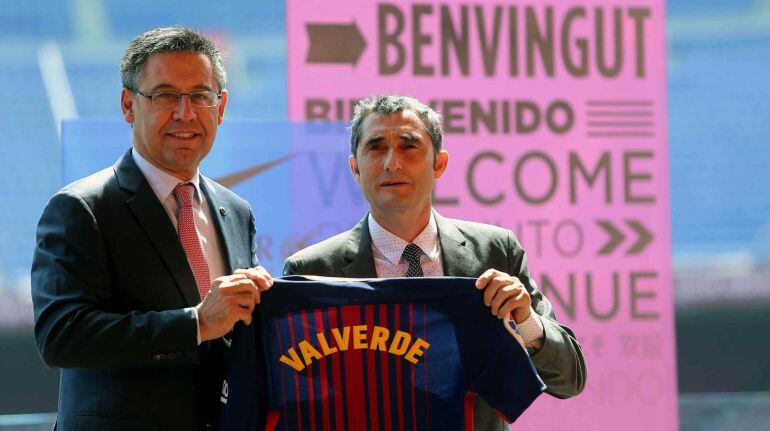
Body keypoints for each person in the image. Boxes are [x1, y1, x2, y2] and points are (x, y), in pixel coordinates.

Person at [284, 94, 586, 431]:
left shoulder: (495, 252)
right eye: (376, 147)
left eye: (409, 146)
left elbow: (569, 379)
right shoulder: (310, 271)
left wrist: (526, 322)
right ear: (355, 168)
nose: (391, 163)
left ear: (438, 164)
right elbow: (298, 398)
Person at [31, 27, 272, 431]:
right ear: (128, 105)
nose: (185, 113)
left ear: (221, 107)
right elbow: (62, 336)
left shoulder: (235, 210)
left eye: (199, 95)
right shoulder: (81, 208)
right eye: (164, 95)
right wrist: (196, 322)